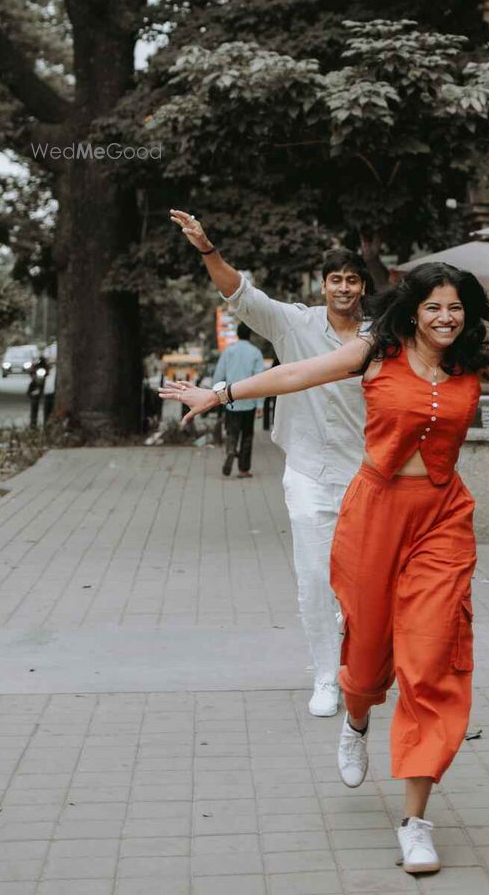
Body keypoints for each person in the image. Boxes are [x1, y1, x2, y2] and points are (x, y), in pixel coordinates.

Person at [165, 261, 489, 877]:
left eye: (457, 308)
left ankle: (416, 822)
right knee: (364, 662)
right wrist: (219, 394)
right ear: (414, 310)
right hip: (375, 517)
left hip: (441, 521)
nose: (447, 317)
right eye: (435, 307)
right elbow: (298, 373)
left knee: (430, 659)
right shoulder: (374, 352)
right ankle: (356, 718)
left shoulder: (473, 361)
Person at [169, 209, 370, 718]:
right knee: (314, 575)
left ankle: (358, 661)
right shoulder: (293, 323)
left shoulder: (379, 339)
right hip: (307, 471)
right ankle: (326, 676)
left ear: (363, 287)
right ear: (323, 285)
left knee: (362, 580)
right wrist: (206, 248)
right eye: (335, 279)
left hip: (368, 474)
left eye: (352, 279)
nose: (343, 288)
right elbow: (239, 295)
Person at [209, 324, 265, 477]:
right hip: (249, 401)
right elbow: (260, 380)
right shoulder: (256, 353)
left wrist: (218, 398)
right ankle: (243, 469)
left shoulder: (228, 351)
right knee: (247, 435)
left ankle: (231, 449)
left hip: (230, 400)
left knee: (231, 431)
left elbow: (218, 376)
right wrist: (260, 405)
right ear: (250, 335)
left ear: (237, 334)